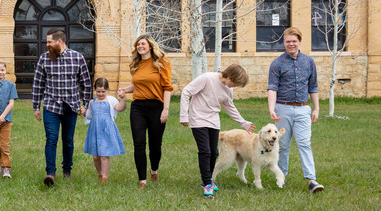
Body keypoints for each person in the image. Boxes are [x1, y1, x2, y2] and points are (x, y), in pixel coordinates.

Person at [180, 64, 256, 197]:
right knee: (205, 151)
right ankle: (207, 183)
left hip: (213, 121)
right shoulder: (207, 78)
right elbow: (186, 91)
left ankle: (207, 180)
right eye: (234, 83)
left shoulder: (228, 89)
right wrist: (183, 115)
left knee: (214, 153)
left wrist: (244, 123)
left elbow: (230, 107)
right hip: (198, 119)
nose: (233, 87)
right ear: (230, 76)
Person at [32, 28, 92, 187]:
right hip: (51, 106)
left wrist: (85, 104)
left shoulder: (77, 58)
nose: (47, 45)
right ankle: (50, 173)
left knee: (68, 141)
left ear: (59, 42)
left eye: (49, 42)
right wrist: (36, 107)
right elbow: (38, 84)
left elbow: (86, 83)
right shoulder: (44, 59)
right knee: (51, 139)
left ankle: (67, 171)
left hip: (71, 107)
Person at [267, 26, 325, 194]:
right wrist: (272, 109)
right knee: (283, 145)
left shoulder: (309, 62)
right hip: (282, 108)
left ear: (299, 42)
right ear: (284, 43)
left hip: (303, 109)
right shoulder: (277, 63)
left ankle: (312, 180)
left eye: (294, 41)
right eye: (287, 41)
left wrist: (316, 108)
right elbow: (272, 88)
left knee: (304, 144)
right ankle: (281, 178)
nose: (291, 44)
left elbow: (313, 87)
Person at [117, 34, 174, 189]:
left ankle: (153, 169)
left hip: (156, 107)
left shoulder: (162, 63)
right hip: (138, 108)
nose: (140, 46)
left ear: (150, 46)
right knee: (139, 143)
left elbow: (167, 88)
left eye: (142, 44)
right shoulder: (136, 64)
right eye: (138, 45)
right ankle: (142, 179)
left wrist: (165, 109)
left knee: (155, 145)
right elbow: (137, 85)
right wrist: (124, 90)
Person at [83, 78, 127, 183]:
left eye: (103, 91)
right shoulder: (92, 102)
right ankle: (100, 173)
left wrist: (123, 99)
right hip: (95, 130)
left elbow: (120, 108)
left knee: (104, 154)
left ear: (107, 90)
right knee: (95, 156)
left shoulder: (111, 100)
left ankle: (105, 177)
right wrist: (83, 111)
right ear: (95, 90)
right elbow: (89, 115)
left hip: (106, 129)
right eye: (98, 91)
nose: (101, 94)